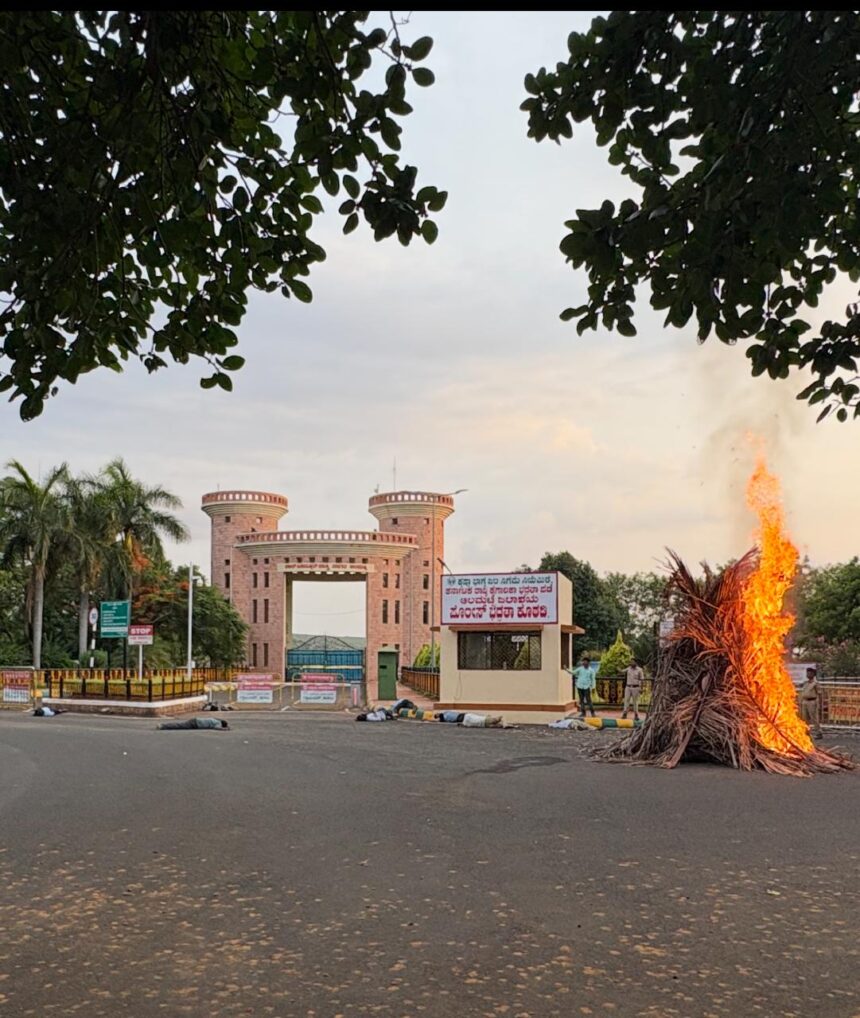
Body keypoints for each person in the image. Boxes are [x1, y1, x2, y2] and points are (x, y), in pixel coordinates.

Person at [799, 667, 823, 739]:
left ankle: (818, 732)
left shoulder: (815, 684)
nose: (808, 674)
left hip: (812, 702)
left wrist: (820, 704)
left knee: (814, 718)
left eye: (810, 673)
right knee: (804, 718)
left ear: (813, 674)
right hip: (805, 702)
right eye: (807, 673)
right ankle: (806, 732)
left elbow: (820, 694)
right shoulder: (805, 683)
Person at [158, 716, 229, 730]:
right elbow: (217, 727)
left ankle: (163, 725)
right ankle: (163, 726)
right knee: (179, 726)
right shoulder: (218, 724)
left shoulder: (215, 719)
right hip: (196, 724)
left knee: (179, 725)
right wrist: (225, 729)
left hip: (196, 720)